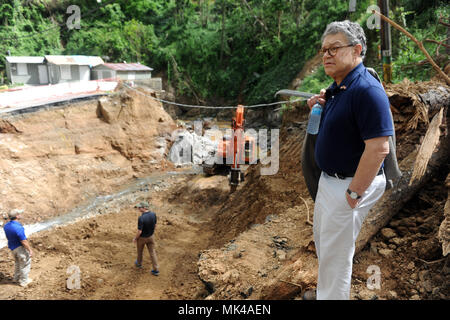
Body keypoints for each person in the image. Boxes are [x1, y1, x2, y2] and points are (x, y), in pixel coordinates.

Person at [303, 20, 395, 300]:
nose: (326, 55)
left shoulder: (367, 90)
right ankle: (325, 294)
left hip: (348, 185)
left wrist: (354, 192)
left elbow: (380, 148)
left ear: (356, 50)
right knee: (326, 247)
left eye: (334, 48)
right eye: (323, 50)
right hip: (330, 182)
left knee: (336, 256)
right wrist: (319, 105)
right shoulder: (340, 86)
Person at [3, 209, 33, 287]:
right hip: (19, 247)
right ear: (17, 216)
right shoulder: (18, 227)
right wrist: (29, 250)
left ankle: (16, 278)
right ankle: (24, 281)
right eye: (19, 214)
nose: (20, 215)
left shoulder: (6, 226)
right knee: (25, 263)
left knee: (17, 262)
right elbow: (23, 241)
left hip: (12, 247)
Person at [133, 201, 159, 276]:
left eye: (139, 207)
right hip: (151, 237)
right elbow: (155, 225)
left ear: (144, 208)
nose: (138, 208)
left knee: (140, 251)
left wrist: (135, 238)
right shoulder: (153, 214)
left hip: (142, 238)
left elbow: (139, 231)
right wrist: (151, 232)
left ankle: (139, 263)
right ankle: (156, 269)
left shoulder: (141, 218)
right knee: (152, 253)